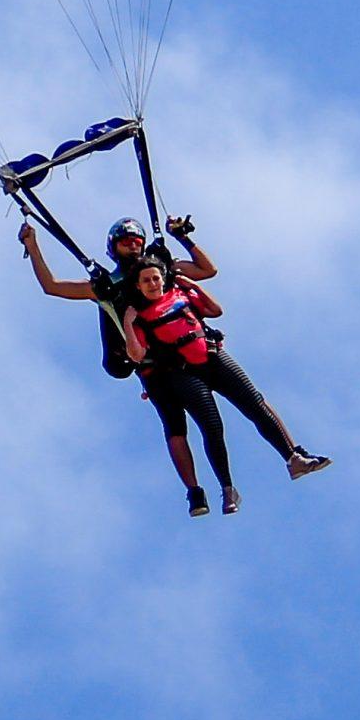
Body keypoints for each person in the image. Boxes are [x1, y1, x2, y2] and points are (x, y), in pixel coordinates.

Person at [20, 213, 329, 515]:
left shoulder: (162, 269)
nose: (133, 246)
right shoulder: (106, 286)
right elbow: (53, 286)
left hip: (202, 349)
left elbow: (207, 271)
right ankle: (202, 490)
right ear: (113, 248)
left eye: (136, 240)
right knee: (191, 426)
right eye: (125, 242)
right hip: (165, 368)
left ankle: (293, 457)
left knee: (254, 402)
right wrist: (33, 246)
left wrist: (183, 238)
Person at [121, 255, 331, 515]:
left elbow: (215, 311)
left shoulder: (180, 295)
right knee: (212, 426)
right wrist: (128, 324)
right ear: (138, 286)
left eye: (155, 278)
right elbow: (137, 355)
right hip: (185, 372)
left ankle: (293, 458)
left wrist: (192, 285)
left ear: (163, 278)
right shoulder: (140, 316)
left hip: (214, 357)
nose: (153, 283)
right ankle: (228, 489)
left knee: (255, 404)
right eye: (146, 281)